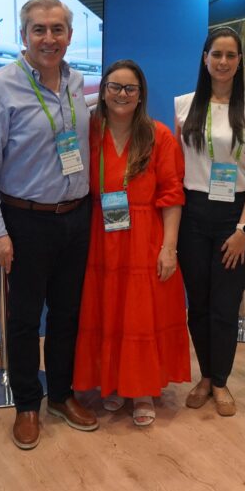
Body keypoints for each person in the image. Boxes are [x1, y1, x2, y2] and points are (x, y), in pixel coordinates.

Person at [0, 0, 98, 450]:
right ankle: (27, 404)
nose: (49, 38)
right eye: (39, 29)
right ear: (23, 35)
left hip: (76, 217)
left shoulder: (77, 81)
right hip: (25, 221)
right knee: (24, 319)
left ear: (69, 35)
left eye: (57, 29)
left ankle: (60, 395)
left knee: (67, 314)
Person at [73, 60, 191, 426]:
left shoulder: (159, 136)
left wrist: (169, 248)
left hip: (144, 237)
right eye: (115, 86)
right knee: (107, 310)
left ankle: (141, 390)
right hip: (99, 236)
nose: (122, 94)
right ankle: (112, 383)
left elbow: (172, 196)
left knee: (139, 315)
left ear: (141, 95)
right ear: (103, 91)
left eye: (130, 88)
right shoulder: (87, 132)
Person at [175, 27, 245, 417]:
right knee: (198, 305)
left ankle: (221, 381)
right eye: (217, 54)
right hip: (193, 214)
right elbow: (178, 169)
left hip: (236, 215)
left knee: (225, 305)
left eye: (231, 55)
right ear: (205, 58)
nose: (223, 61)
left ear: (240, 61)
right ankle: (205, 376)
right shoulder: (184, 106)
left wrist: (243, 230)